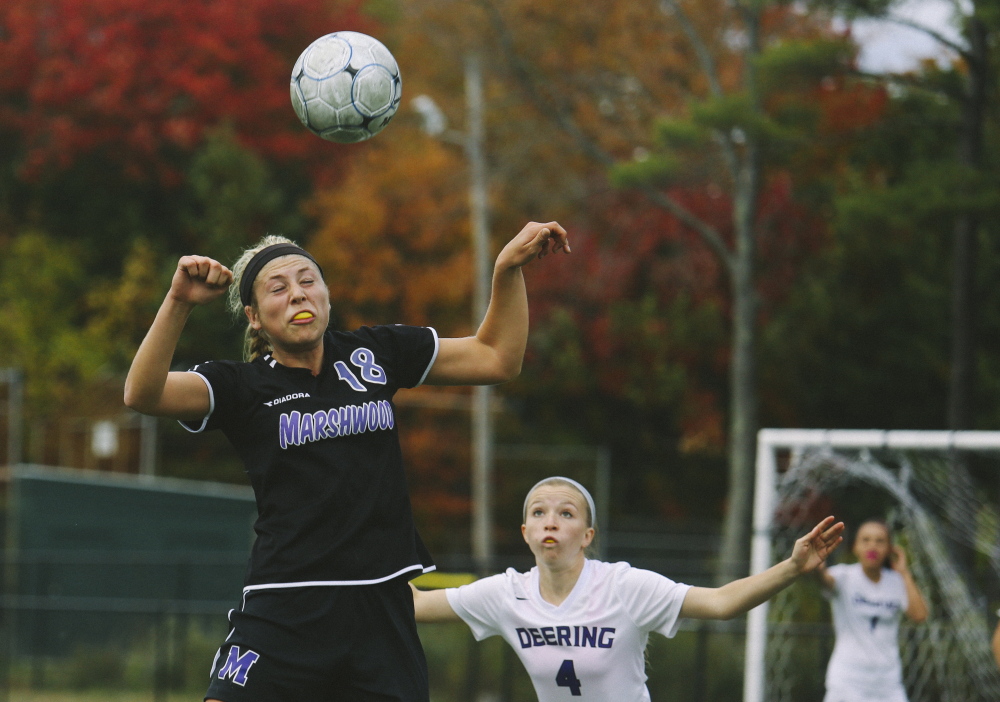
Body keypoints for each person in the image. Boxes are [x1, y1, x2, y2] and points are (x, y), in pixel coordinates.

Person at [123, 221, 569, 702]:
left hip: (381, 611)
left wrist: (506, 270)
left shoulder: (375, 353)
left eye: (308, 281)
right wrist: (179, 302)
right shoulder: (242, 387)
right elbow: (142, 393)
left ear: (327, 296)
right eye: (279, 287)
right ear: (254, 317)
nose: (298, 295)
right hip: (286, 607)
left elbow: (498, 357)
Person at [411, 476, 845, 702]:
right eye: (539, 513)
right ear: (526, 532)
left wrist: (791, 567)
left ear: (587, 535)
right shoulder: (508, 593)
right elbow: (413, 605)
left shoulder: (622, 585)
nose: (551, 521)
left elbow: (721, 602)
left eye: (566, 513)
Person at [816, 519, 928, 702]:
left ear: (890, 549)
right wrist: (817, 569)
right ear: (855, 547)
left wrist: (905, 573)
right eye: (866, 540)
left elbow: (920, 615)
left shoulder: (897, 581)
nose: (872, 546)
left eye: (880, 541)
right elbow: (824, 580)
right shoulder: (843, 576)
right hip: (847, 682)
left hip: (888, 684)